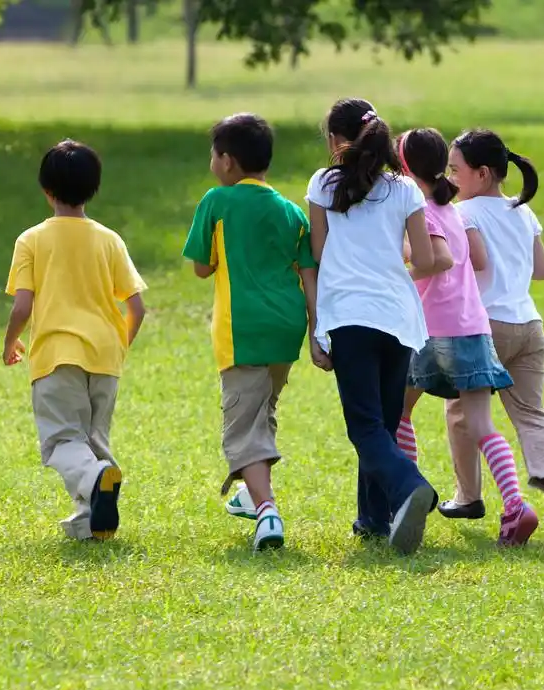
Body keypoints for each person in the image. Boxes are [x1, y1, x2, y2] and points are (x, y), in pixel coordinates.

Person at [306, 98, 450, 555]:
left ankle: (408, 487)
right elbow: (425, 260)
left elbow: (318, 254)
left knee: (365, 427)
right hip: (398, 317)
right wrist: (391, 267)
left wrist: (316, 328)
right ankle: (372, 520)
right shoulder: (404, 188)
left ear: (335, 141)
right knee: (383, 426)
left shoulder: (324, 184)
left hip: (350, 315)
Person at [183, 112, 323, 551]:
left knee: (242, 428)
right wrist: (317, 331)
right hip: (287, 329)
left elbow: (202, 267)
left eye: (213, 154)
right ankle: (250, 495)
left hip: (241, 330)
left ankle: (268, 512)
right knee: (262, 412)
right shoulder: (292, 212)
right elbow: (308, 274)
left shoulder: (216, 202)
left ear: (227, 161)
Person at [393, 128, 540, 546]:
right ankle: (515, 506)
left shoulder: (422, 209)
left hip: (430, 331)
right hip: (472, 327)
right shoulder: (454, 209)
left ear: (404, 168)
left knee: (397, 413)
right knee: (482, 424)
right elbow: (471, 258)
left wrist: (403, 273)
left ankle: (407, 496)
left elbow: (437, 260)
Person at [3, 139, 147, 541]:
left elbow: (22, 306)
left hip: (56, 356)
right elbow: (137, 308)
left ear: (46, 190)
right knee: (93, 441)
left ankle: (96, 477)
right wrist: (119, 346)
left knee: (62, 442)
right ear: (93, 188)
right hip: (105, 356)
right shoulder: (109, 239)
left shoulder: (31, 240)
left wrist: (10, 341)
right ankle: (92, 523)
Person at [444, 128, 544, 541]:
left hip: (484, 328)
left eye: (456, 170)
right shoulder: (523, 211)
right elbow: (540, 271)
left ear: (482, 174)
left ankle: (468, 495)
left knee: (461, 412)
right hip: (529, 327)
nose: (450, 179)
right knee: (531, 414)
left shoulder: (462, 213)